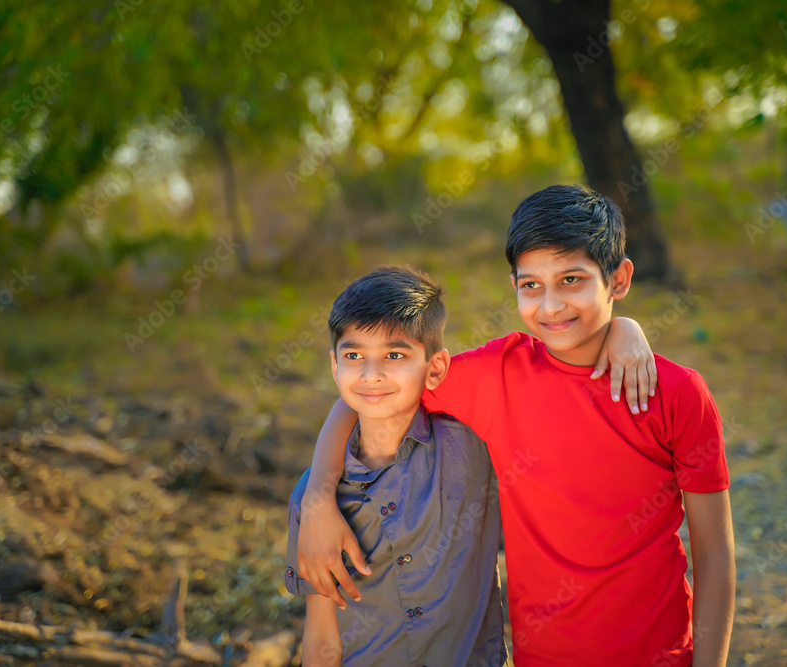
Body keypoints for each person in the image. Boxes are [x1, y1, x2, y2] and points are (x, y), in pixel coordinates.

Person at [298, 185, 735, 667]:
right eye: (532, 285)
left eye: (572, 280)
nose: (550, 306)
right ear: (515, 287)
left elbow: (714, 555)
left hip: (659, 654)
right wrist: (318, 498)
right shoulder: (497, 374)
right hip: (542, 656)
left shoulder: (677, 393)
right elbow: (373, 393)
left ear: (619, 279)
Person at [284, 266, 508, 666]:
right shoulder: (313, 499)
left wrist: (621, 330)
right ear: (335, 366)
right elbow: (322, 638)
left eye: (394, 355)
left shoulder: (473, 448)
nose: (372, 375)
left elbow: (556, 370)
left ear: (435, 367)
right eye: (354, 356)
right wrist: (319, 495)